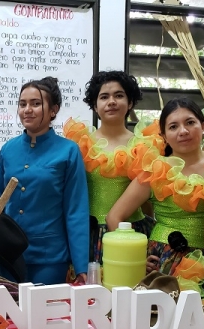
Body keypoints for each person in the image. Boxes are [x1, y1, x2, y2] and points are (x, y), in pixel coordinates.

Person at [106, 98, 204, 294]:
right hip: (165, 261)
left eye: (190, 122)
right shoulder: (155, 170)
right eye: (173, 126)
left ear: (203, 126)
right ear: (163, 135)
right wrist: (135, 257)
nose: (183, 131)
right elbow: (114, 216)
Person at [0, 77, 89, 285]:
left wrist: (81, 265)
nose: (27, 109)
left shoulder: (68, 151)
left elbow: (76, 210)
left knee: (49, 315)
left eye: (36, 104)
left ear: (53, 110)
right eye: (22, 104)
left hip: (51, 257)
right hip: (10, 256)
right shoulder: (8, 150)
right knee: (9, 316)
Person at [64, 71, 159, 257]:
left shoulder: (145, 146)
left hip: (131, 233)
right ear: (94, 106)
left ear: (130, 103)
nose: (112, 101)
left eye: (119, 95)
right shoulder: (79, 145)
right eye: (104, 97)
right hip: (88, 234)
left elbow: (148, 202)